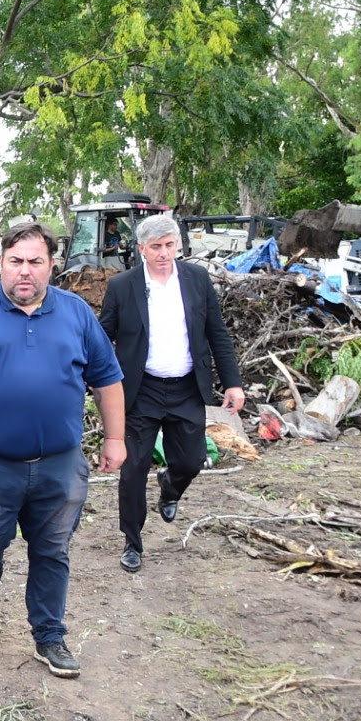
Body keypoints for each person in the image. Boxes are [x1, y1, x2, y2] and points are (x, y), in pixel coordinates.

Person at [0, 222, 126, 679]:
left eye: (35, 262)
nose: (25, 272)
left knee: (52, 550)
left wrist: (115, 438)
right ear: (1, 263)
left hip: (59, 465)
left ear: (51, 266)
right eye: (15, 261)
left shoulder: (76, 313)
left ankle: (49, 636)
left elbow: (107, 379)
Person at [99, 213, 244, 573]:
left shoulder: (196, 280)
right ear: (142, 249)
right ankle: (133, 542)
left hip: (186, 388)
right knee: (132, 470)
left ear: (177, 245)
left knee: (191, 461)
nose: (164, 253)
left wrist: (233, 382)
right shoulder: (123, 286)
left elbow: (217, 333)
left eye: (169, 245)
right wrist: (96, 382)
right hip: (141, 390)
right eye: (156, 247)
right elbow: (103, 337)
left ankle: (170, 487)